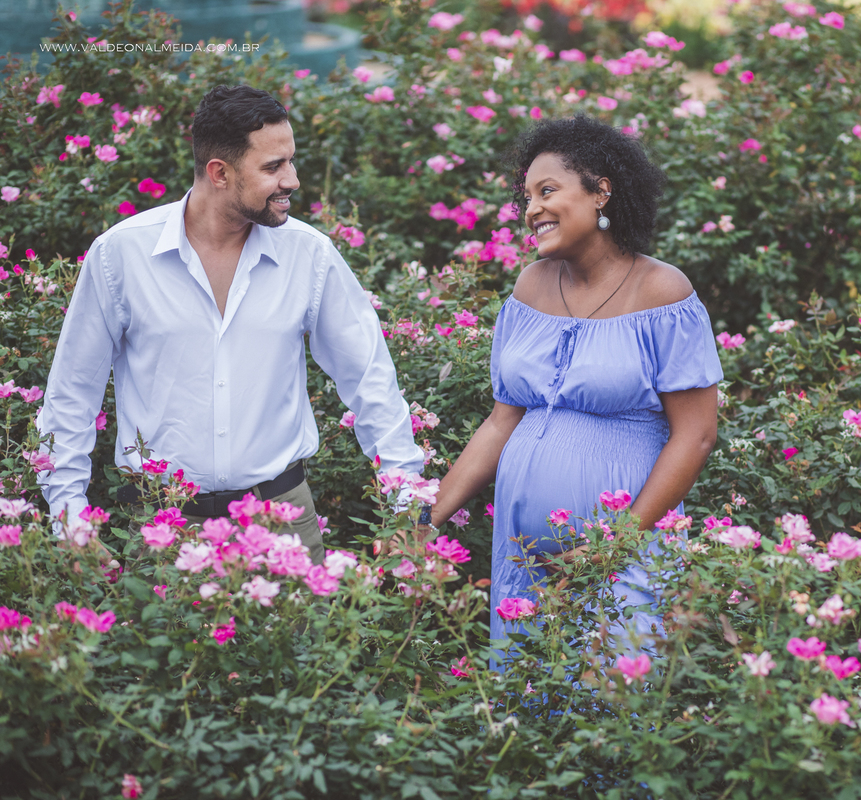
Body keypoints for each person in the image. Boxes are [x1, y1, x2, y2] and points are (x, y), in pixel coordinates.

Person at [38, 84, 425, 563]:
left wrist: (408, 502)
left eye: (291, 161)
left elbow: (370, 380)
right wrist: (69, 518)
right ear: (219, 173)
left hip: (283, 522)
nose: (293, 180)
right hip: (165, 528)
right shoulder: (121, 255)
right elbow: (72, 394)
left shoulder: (309, 254)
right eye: (273, 167)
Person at [429, 114, 723, 650]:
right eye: (526, 198)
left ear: (601, 193)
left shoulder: (662, 292)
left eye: (547, 191)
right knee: (528, 712)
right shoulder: (531, 286)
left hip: (623, 556)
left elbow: (696, 435)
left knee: (608, 707)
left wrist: (614, 546)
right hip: (524, 560)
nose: (531, 209)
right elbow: (501, 423)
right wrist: (426, 518)